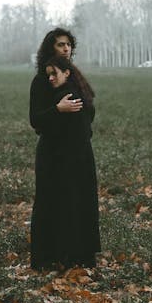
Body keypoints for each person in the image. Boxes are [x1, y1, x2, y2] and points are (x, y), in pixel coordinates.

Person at [29, 28, 100, 271]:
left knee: (80, 201)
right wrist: (57, 110)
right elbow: (35, 120)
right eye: (60, 44)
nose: (66, 48)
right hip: (52, 154)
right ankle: (46, 257)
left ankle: (78, 254)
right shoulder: (42, 81)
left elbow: (88, 113)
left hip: (78, 152)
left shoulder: (74, 79)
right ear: (51, 48)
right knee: (50, 202)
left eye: (68, 44)